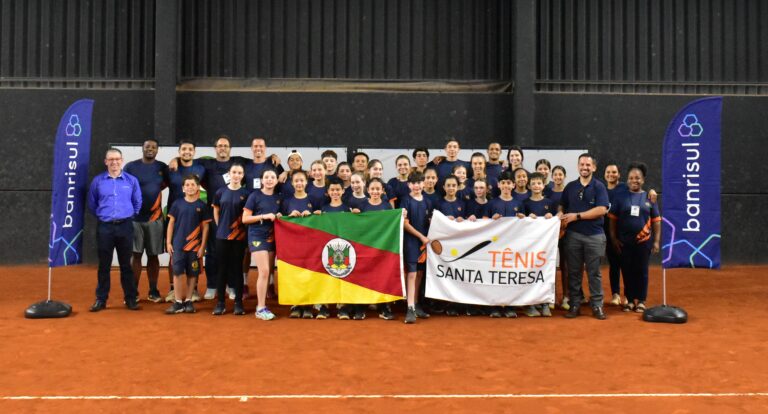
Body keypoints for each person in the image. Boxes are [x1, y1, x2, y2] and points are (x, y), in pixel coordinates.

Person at [87, 148, 142, 312]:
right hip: (105, 227)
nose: (114, 162)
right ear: (106, 162)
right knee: (104, 265)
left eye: (117, 159)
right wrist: (103, 216)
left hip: (125, 227)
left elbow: (137, 202)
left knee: (126, 265)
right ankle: (101, 299)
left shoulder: (131, 181)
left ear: (122, 160)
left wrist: (129, 216)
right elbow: (92, 203)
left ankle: (130, 299)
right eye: (110, 159)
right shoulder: (98, 181)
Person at [560, 153, 610, 320]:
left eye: (588, 165)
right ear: (577, 166)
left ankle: (597, 305)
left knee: (594, 272)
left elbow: (602, 209)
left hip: (594, 236)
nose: (584, 167)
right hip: (573, 236)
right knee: (573, 272)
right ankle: (575, 304)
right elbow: (562, 204)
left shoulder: (599, 187)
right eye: (582, 164)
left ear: (594, 168)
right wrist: (561, 213)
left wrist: (577, 216)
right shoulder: (570, 187)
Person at [608, 162, 661, 314]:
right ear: (627, 179)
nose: (634, 181)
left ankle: (641, 301)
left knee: (642, 271)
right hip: (624, 243)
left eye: (637, 178)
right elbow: (612, 219)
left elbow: (656, 220)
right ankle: (630, 300)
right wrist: (613, 239)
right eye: (631, 178)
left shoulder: (650, 197)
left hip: (644, 242)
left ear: (643, 180)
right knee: (627, 271)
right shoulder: (620, 197)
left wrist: (656, 241)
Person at [123, 138, 168, 303]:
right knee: (135, 256)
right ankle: (133, 292)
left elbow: (165, 184)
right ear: (142, 148)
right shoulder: (130, 167)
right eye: (147, 146)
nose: (150, 149)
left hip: (155, 219)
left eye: (154, 147)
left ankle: (153, 290)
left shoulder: (162, 168)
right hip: (134, 219)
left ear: (157, 150)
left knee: (153, 256)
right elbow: (123, 188)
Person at [165, 140, 206, 302]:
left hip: (195, 220)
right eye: (183, 149)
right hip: (176, 217)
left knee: (194, 256)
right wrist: (173, 160)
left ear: (194, 152)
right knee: (173, 254)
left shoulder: (201, 168)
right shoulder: (170, 168)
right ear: (179, 151)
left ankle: (193, 290)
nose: (187, 152)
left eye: (190, 149)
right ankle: (172, 289)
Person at [165, 175, 211, 314]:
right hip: (178, 246)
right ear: (183, 188)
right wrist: (168, 242)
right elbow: (171, 224)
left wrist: (202, 246)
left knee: (192, 274)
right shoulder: (177, 204)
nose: (190, 187)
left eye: (193, 185)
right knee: (177, 273)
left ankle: (189, 301)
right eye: (187, 185)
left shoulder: (202, 206)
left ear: (198, 187)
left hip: (194, 247)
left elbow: (206, 228)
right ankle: (178, 302)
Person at [242, 169, 281, 321]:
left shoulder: (279, 198)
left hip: (273, 237)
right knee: (264, 271)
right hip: (257, 236)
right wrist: (264, 216)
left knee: (268, 271)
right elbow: (245, 219)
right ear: (262, 181)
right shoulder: (255, 195)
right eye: (267, 177)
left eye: (272, 177)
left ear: (277, 181)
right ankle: (260, 307)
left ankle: (263, 305)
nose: (270, 179)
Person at [211, 163, 249, 316]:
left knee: (237, 269)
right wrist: (221, 226)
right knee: (222, 269)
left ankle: (238, 303)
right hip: (222, 236)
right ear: (229, 173)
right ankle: (220, 303)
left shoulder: (246, 194)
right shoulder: (220, 192)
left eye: (240, 172)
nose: (237, 175)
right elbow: (216, 210)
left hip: (239, 237)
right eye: (234, 172)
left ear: (242, 175)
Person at [354, 178, 395, 320]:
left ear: (382, 191)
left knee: (382, 276)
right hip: (364, 248)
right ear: (368, 190)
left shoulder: (387, 206)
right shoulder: (361, 205)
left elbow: (393, 224)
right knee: (363, 276)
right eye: (373, 189)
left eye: (378, 189)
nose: (375, 192)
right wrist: (354, 215)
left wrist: (401, 215)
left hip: (383, 248)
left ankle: (383, 307)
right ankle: (360, 307)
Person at [522, 172, 560, 317]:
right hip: (529, 247)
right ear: (529, 186)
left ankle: (544, 303)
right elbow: (520, 224)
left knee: (544, 273)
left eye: (539, 183)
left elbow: (556, 220)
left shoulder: (549, 203)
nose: (536, 186)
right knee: (529, 273)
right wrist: (527, 218)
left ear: (544, 185)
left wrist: (551, 218)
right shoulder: (525, 203)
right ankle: (530, 305)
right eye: (533, 184)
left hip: (545, 248)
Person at [488, 169, 525, 319]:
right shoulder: (492, 203)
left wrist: (524, 218)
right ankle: (495, 306)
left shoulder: (519, 203)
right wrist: (491, 220)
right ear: (498, 185)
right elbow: (483, 224)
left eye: (509, 183)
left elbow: (526, 226)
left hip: (513, 248)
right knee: (496, 275)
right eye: (503, 183)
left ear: (513, 185)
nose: (506, 186)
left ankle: (509, 306)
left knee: (510, 275)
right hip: (495, 248)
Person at [280, 170, 315, 319]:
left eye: (302, 180)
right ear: (292, 183)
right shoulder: (286, 201)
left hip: (310, 244)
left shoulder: (313, 199)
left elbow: (322, 217)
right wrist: (289, 216)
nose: (299, 183)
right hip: (292, 244)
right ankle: (295, 303)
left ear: (306, 182)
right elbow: (280, 218)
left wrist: (312, 215)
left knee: (309, 274)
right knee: (294, 273)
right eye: (296, 181)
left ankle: (308, 305)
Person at [315, 177, 350, 319]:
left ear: (342, 191)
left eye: (338, 190)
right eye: (332, 190)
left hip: (343, 248)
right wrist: (316, 217)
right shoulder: (323, 209)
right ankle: (324, 306)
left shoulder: (347, 209)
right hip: (327, 248)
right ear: (328, 192)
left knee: (343, 275)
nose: (335, 192)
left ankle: (342, 307)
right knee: (326, 276)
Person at [400, 171, 432, 324]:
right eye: (413, 183)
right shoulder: (405, 201)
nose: (417, 185)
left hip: (424, 243)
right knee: (411, 274)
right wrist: (420, 236)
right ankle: (410, 307)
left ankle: (417, 303)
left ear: (423, 184)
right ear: (409, 185)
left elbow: (431, 220)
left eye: (419, 182)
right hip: (411, 243)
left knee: (420, 274)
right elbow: (405, 224)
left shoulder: (428, 201)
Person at [603, 162, 626, 306]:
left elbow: (641, 192)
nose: (611, 174)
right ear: (604, 174)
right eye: (608, 172)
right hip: (606, 234)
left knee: (627, 265)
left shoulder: (625, 188)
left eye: (614, 172)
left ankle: (629, 296)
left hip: (624, 233)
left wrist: (651, 191)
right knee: (614, 265)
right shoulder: (601, 189)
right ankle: (616, 295)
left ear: (619, 174)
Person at [550, 165, 570, 310]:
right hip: (549, 236)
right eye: (555, 174)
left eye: (560, 174)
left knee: (566, 266)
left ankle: (566, 297)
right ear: (552, 177)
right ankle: (550, 297)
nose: (558, 177)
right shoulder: (546, 192)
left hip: (567, 234)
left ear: (564, 176)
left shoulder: (569, 192)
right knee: (549, 266)